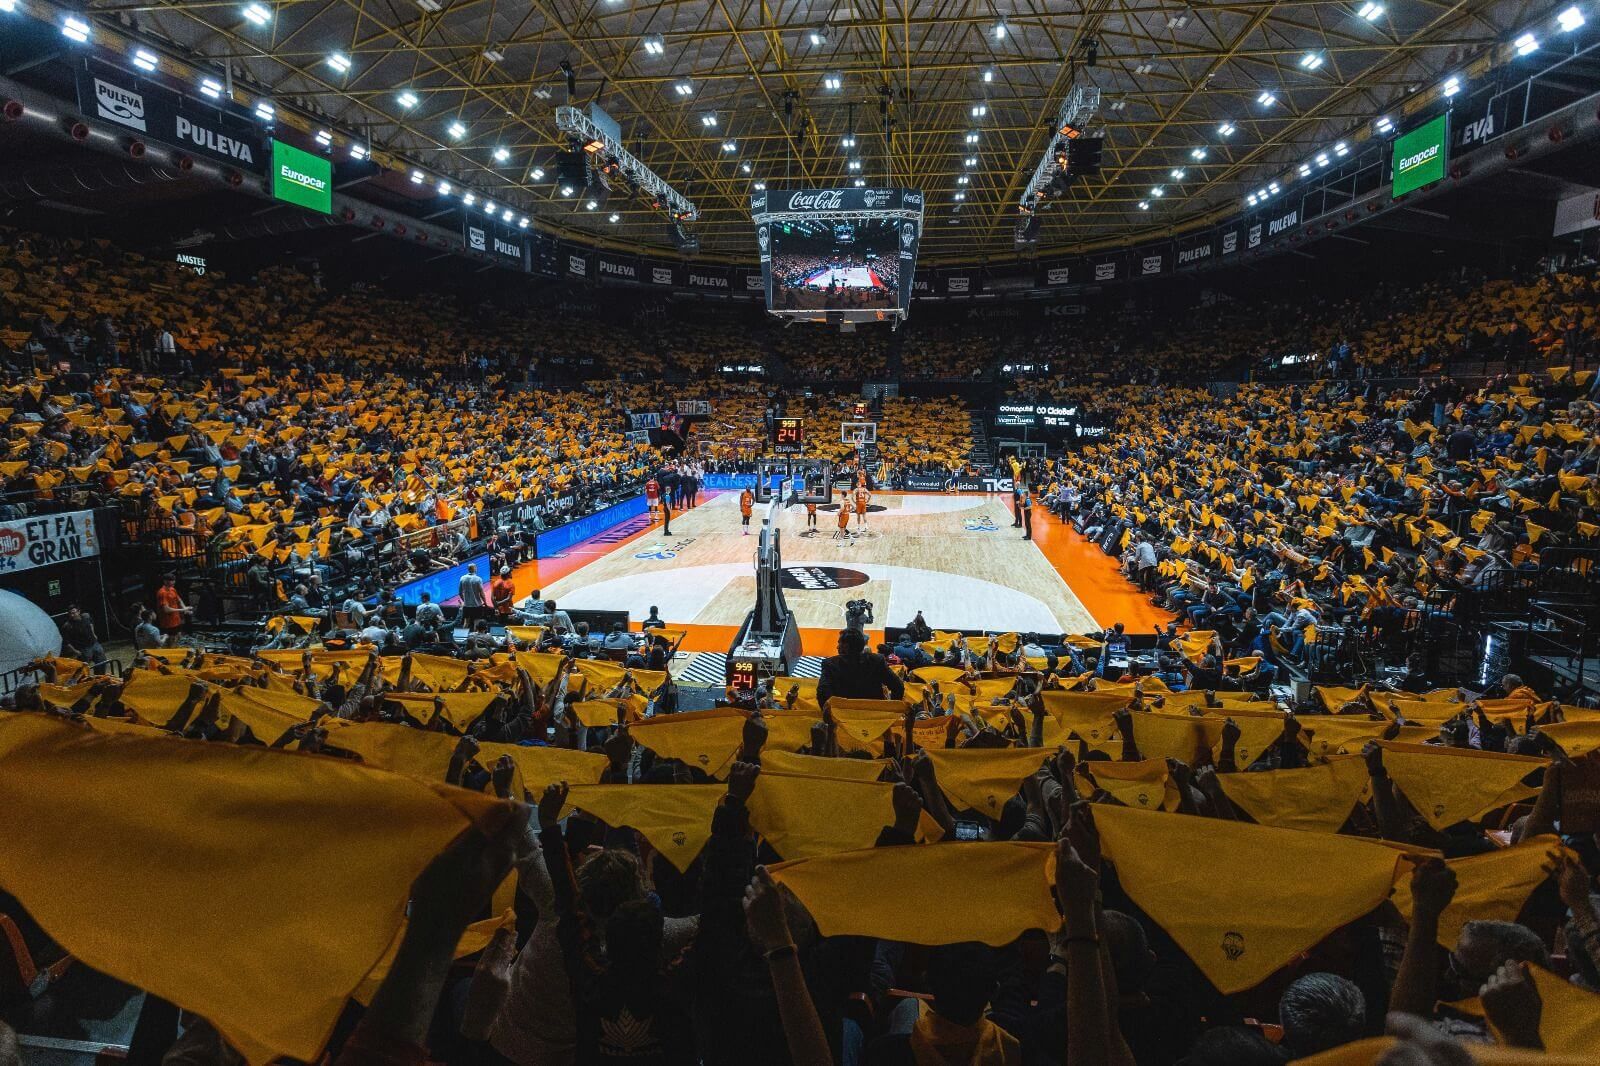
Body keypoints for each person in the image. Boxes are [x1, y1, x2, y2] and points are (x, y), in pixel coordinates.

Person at [816, 626, 905, 706]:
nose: (837, 647)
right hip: (874, 716)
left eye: (839, 643)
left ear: (846, 646)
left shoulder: (830, 664)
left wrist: (832, 716)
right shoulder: (877, 660)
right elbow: (898, 686)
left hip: (843, 716)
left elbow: (822, 694)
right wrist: (891, 709)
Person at [154, 573, 192, 639]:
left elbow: (179, 599)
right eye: (171, 580)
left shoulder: (172, 589)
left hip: (176, 620)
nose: (173, 582)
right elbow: (166, 610)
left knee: (178, 637)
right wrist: (183, 610)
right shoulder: (162, 593)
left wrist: (184, 607)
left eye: (174, 580)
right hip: (168, 622)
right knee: (171, 640)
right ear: (165, 581)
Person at [458, 562, 487, 627]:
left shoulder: (462, 578)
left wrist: (464, 601)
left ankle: (463, 636)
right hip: (477, 605)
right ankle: (475, 637)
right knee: (476, 623)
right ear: (475, 569)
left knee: (466, 622)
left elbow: (460, 592)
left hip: (466, 605)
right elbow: (481, 593)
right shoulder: (478, 579)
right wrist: (485, 602)